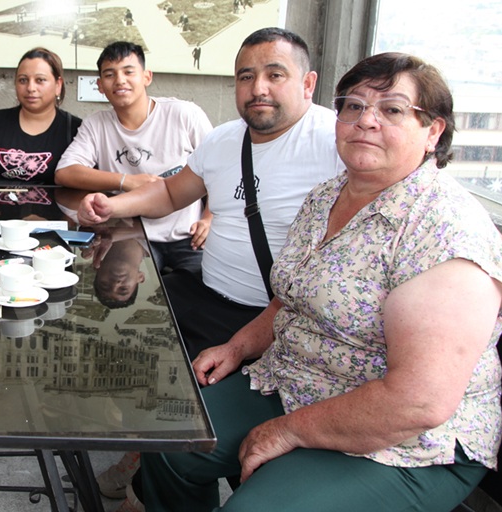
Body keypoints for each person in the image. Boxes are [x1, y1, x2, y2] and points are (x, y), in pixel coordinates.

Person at [134, 52, 502, 512]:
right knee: (169, 437)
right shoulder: (328, 194)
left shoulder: (445, 229)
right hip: (294, 379)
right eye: (353, 105)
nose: (366, 120)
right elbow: (292, 298)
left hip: (409, 439)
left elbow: (418, 403)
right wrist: (238, 347)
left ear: (433, 131)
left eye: (391, 109)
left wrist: (289, 430)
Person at [78, 28, 343, 359]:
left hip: (280, 318)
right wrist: (110, 205)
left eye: (275, 75)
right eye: (246, 77)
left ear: (308, 84)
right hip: (208, 295)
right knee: (114, 341)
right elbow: (171, 194)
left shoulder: (337, 143)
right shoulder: (223, 139)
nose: (258, 88)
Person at [56, 41, 213, 277]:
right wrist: (125, 181)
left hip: (187, 234)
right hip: (130, 233)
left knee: (201, 290)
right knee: (111, 279)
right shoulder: (96, 124)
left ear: (147, 77)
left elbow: (219, 171)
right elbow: (65, 171)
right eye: (110, 74)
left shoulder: (185, 114)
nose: (120, 80)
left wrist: (210, 218)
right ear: (99, 85)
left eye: (129, 72)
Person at [0, 47, 82, 187]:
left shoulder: (75, 129)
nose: (31, 88)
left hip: (54, 209)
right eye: (23, 80)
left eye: (40, 80)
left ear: (58, 85)